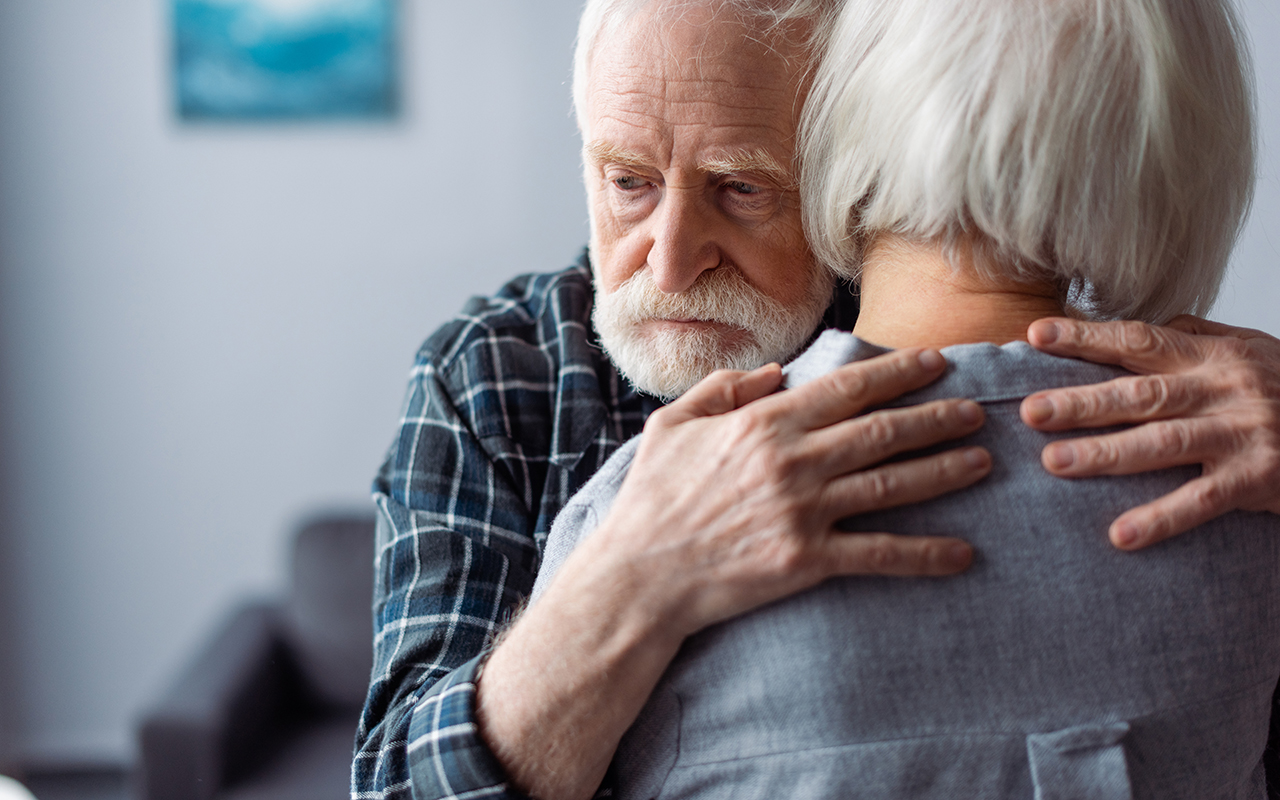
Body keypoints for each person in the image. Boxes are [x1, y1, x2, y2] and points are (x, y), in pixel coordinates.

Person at [352, 1, 1280, 798]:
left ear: (858, 154)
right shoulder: (497, 374)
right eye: (628, 182)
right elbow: (393, 782)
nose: (670, 261)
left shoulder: (990, 321)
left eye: (743, 188)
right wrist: (631, 578)